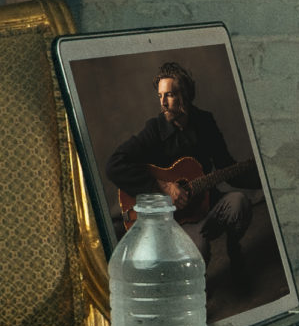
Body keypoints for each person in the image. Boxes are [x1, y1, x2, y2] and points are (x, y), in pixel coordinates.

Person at [106, 62, 270, 289]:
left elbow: (227, 168)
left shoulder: (205, 122)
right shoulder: (155, 129)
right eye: (160, 95)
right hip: (178, 218)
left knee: (239, 202)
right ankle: (194, 285)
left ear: (186, 95)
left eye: (170, 95)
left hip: (208, 204)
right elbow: (114, 165)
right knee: (198, 250)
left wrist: (264, 179)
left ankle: (235, 251)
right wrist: (163, 186)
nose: (163, 102)